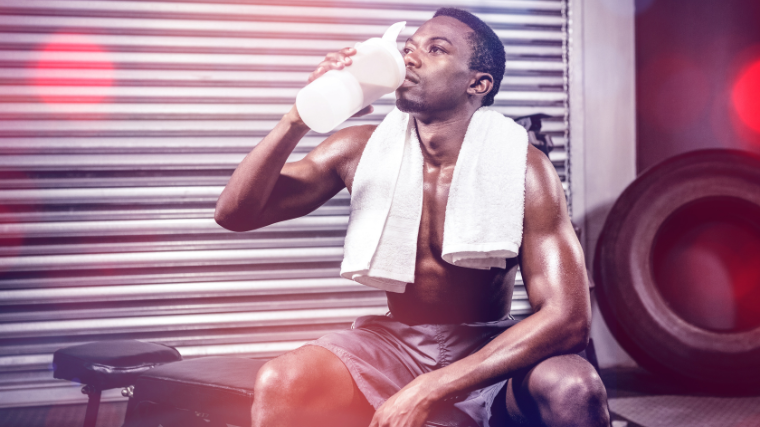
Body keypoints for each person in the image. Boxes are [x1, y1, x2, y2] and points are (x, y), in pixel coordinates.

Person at [215, 7, 609, 427]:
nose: (409, 59)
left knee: (575, 387)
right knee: (282, 378)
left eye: (435, 49)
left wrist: (433, 385)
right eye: (408, 48)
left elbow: (569, 319)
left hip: (488, 346)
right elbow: (236, 213)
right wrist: (300, 115)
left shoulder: (524, 168)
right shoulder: (358, 148)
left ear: (478, 83)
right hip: (392, 346)